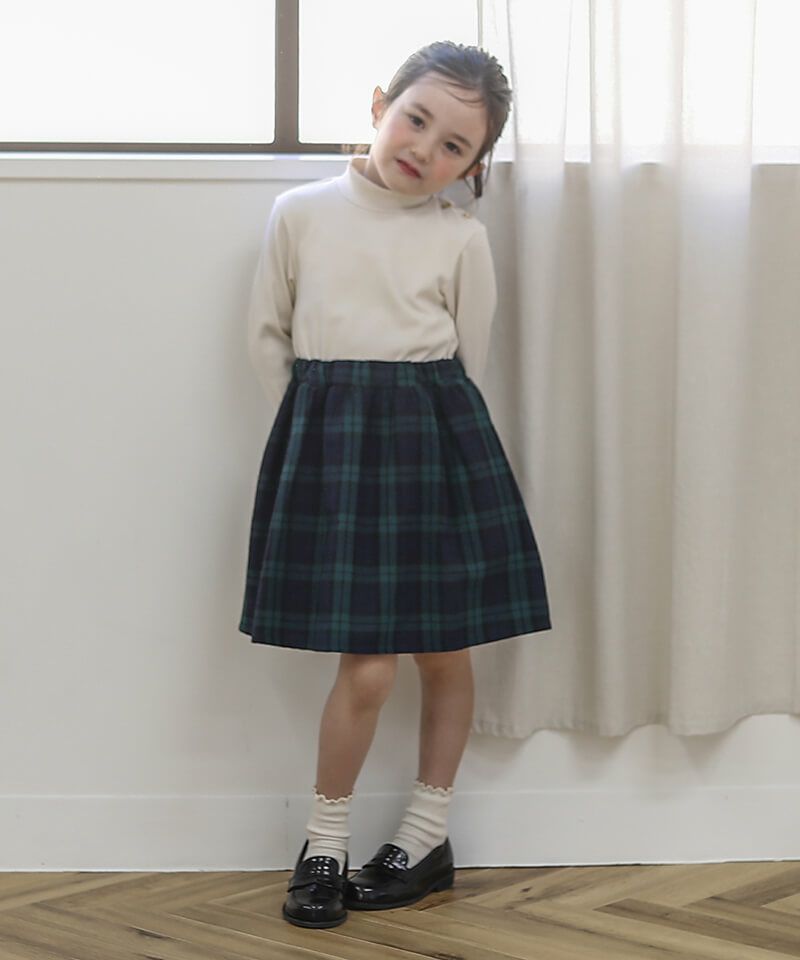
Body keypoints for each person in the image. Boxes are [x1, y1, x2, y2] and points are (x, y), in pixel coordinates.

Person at [238, 40, 552, 929]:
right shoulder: (301, 213)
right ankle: (324, 843)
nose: (425, 149)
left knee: (445, 653)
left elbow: (469, 358)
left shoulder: (460, 238)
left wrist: (418, 430)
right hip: (333, 448)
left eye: (455, 146)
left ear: (473, 166)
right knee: (369, 667)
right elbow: (267, 336)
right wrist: (316, 434)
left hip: (435, 444)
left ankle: (424, 837)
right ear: (381, 105)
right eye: (416, 120)